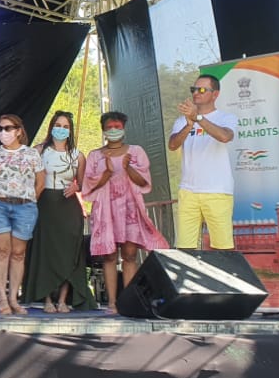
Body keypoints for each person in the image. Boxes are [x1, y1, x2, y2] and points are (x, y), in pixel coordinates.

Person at [86, 112, 169, 313]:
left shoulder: (136, 152)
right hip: (107, 209)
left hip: (130, 208)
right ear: (103, 130)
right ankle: (113, 302)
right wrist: (106, 172)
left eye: (117, 126)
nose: (113, 130)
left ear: (123, 128)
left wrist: (127, 168)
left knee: (130, 254)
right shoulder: (95, 155)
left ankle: (128, 301)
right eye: (109, 126)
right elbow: (88, 186)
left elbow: (144, 182)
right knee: (109, 256)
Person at [22, 111, 96, 313]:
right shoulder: (39, 150)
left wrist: (76, 187)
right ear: (51, 127)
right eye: (58, 125)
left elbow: (82, 183)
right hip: (45, 204)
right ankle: (46, 299)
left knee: (69, 251)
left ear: (70, 130)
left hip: (68, 206)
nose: (61, 129)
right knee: (46, 250)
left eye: (65, 126)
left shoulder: (77, 155)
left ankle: (63, 299)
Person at [168, 75, 238, 250]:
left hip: (217, 191)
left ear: (215, 94)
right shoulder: (181, 120)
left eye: (201, 90)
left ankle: (223, 278)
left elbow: (224, 136)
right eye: (193, 89)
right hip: (188, 191)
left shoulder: (226, 118)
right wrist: (189, 124)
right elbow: (173, 145)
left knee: (223, 249)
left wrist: (198, 118)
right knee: (185, 248)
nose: (196, 93)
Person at [0, 114, 44, 315]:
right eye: (0, 128)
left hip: (25, 206)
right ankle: (2, 297)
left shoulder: (32, 154)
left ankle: (13, 297)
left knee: (19, 254)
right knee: (2, 251)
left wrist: (28, 199)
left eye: (8, 128)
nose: (3, 132)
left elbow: (41, 181)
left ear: (19, 131)